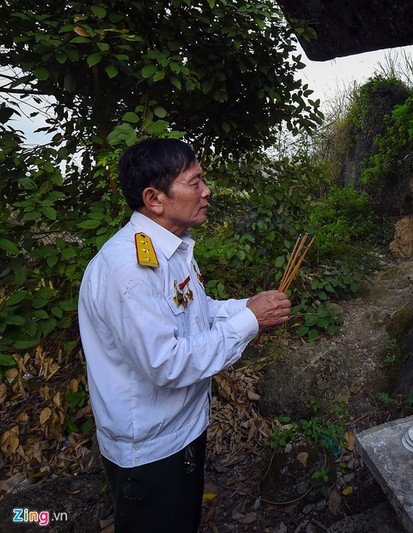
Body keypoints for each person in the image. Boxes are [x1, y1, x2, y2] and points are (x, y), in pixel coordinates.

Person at [78, 138, 291, 532]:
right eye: (195, 182)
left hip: (183, 432)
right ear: (155, 199)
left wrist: (250, 307)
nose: (207, 191)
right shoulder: (128, 270)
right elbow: (168, 363)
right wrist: (248, 322)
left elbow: (198, 310)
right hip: (151, 452)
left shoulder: (170, 251)